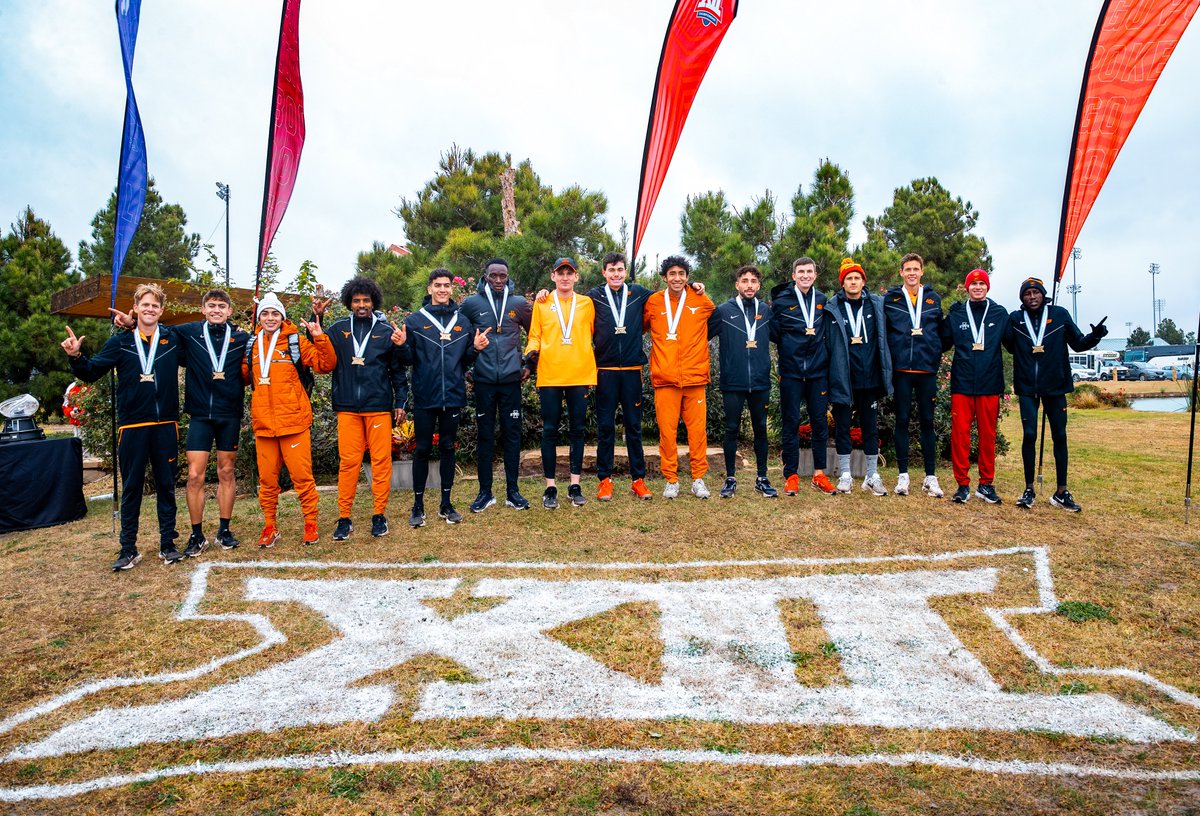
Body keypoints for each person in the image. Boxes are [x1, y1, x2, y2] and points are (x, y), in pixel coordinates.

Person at [112, 289, 251, 554]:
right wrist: (131, 323)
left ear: (229, 311)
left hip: (229, 414)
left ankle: (224, 530)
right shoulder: (188, 332)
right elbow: (154, 328)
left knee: (226, 472)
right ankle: (196, 534)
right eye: (212, 305)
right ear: (203, 309)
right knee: (195, 475)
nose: (217, 310)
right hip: (199, 415)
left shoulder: (241, 337)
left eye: (222, 306)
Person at [63, 282, 183, 570]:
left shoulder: (172, 338)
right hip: (132, 426)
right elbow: (92, 372)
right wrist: (76, 356)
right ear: (136, 308)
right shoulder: (120, 342)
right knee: (131, 488)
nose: (150, 309)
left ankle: (168, 544)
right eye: (145, 305)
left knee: (166, 487)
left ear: (161, 311)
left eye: (155, 306)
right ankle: (128, 548)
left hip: (166, 424)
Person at [394, 268, 490, 526]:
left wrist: (476, 349)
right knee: (422, 449)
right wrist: (402, 345)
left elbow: (465, 360)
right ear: (429, 289)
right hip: (425, 396)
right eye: (437, 285)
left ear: (451, 289)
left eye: (446, 285)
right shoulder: (415, 321)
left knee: (448, 447)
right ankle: (418, 506)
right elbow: (409, 360)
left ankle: (446, 504)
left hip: (453, 396)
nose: (442, 289)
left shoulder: (463, 322)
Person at [1004, 277, 1108, 512]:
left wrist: (1096, 336)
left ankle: (1061, 492)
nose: (1032, 297)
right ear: (1022, 298)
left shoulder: (1059, 314)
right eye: (1027, 293)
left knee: (1060, 436)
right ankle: (1029, 489)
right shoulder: (1015, 319)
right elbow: (1010, 346)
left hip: (1056, 385)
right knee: (1029, 434)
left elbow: (1078, 343)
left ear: (1043, 295)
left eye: (1036, 293)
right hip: (1027, 386)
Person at [315, 277, 407, 541]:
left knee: (381, 462)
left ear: (373, 302)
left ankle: (379, 514)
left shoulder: (386, 331)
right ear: (349, 303)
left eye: (366, 300)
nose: (361, 305)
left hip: (378, 407)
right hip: (347, 407)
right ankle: (344, 517)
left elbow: (397, 371)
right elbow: (319, 345)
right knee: (348, 463)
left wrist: (400, 402)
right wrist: (316, 316)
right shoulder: (337, 329)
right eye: (356, 301)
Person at [242, 293, 336, 547]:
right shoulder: (251, 345)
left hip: (294, 422)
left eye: (275, 313)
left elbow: (326, 364)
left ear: (282, 317)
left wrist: (319, 337)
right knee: (267, 482)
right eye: (265, 313)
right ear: (259, 318)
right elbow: (243, 376)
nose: (270, 318)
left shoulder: (295, 341)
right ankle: (269, 526)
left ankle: (310, 523)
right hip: (264, 424)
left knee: (302, 479)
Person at [460, 259, 534, 512]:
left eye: (503, 276)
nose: (499, 280)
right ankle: (485, 493)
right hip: (483, 381)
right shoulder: (471, 304)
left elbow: (536, 334)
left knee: (512, 435)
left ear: (508, 277)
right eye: (494, 276)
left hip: (511, 381)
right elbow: (458, 335)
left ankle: (513, 492)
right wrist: (466, 367)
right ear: (485, 277)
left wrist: (530, 364)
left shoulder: (518, 303)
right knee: (485, 436)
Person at [524, 257, 597, 509]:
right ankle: (550, 487)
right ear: (553, 276)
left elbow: (592, 332)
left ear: (576, 277)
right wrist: (531, 352)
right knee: (549, 430)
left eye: (569, 273)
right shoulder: (542, 302)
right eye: (560, 273)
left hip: (579, 374)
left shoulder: (586, 303)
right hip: (550, 374)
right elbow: (535, 334)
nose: (565, 277)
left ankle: (575, 485)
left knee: (578, 430)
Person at [644, 255, 716, 499]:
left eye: (682, 274)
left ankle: (698, 478)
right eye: (672, 274)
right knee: (667, 433)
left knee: (698, 433)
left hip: (695, 378)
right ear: (664, 278)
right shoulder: (653, 302)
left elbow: (714, 315)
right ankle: (671, 480)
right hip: (665, 379)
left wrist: (697, 287)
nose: (677, 278)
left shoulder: (700, 299)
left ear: (687, 277)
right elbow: (641, 326)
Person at [586, 251, 655, 501]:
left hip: (632, 371)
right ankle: (605, 480)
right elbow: (568, 301)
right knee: (605, 427)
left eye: (620, 270)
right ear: (603, 272)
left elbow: (668, 294)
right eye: (611, 270)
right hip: (605, 371)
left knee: (634, 427)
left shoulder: (638, 293)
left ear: (625, 272)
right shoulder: (593, 296)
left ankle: (638, 480)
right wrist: (544, 294)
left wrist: (694, 287)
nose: (616, 274)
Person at [770, 256, 837, 496]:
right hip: (791, 372)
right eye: (801, 272)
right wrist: (790, 348)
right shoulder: (782, 301)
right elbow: (774, 333)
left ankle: (819, 474)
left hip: (818, 372)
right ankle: (791, 475)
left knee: (820, 422)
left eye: (809, 271)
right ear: (794, 276)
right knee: (790, 422)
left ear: (815, 275)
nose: (805, 275)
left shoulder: (822, 300)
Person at [941, 269, 1008, 504]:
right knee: (960, 436)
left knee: (988, 436)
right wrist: (945, 319)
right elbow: (942, 343)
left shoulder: (999, 313)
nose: (977, 287)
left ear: (987, 287)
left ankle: (986, 484)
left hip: (990, 383)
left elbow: (1014, 344)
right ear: (967, 287)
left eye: (982, 284)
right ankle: (962, 485)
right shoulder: (958, 314)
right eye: (973, 284)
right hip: (963, 383)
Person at [826, 258, 893, 496]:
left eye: (857, 278)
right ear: (842, 283)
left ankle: (872, 475)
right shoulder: (832, 307)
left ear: (863, 281)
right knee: (843, 427)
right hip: (843, 378)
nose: (853, 282)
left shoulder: (876, 304)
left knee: (870, 427)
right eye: (848, 279)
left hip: (870, 378)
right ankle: (845, 474)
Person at [709, 264, 777, 498]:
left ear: (759, 285)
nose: (749, 285)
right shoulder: (723, 311)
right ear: (737, 284)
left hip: (760, 381)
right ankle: (730, 478)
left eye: (753, 281)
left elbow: (781, 337)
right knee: (731, 429)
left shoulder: (766, 311)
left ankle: (762, 478)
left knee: (761, 429)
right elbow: (701, 334)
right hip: (733, 381)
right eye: (745, 281)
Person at [883, 253, 945, 498]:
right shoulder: (891, 299)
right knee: (901, 421)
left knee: (927, 422)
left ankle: (931, 477)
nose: (911, 273)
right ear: (901, 272)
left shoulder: (933, 299)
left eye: (915, 269)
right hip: (901, 371)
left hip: (926, 370)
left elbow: (941, 332)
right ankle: (903, 475)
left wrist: (934, 354)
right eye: (907, 269)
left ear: (922, 272)